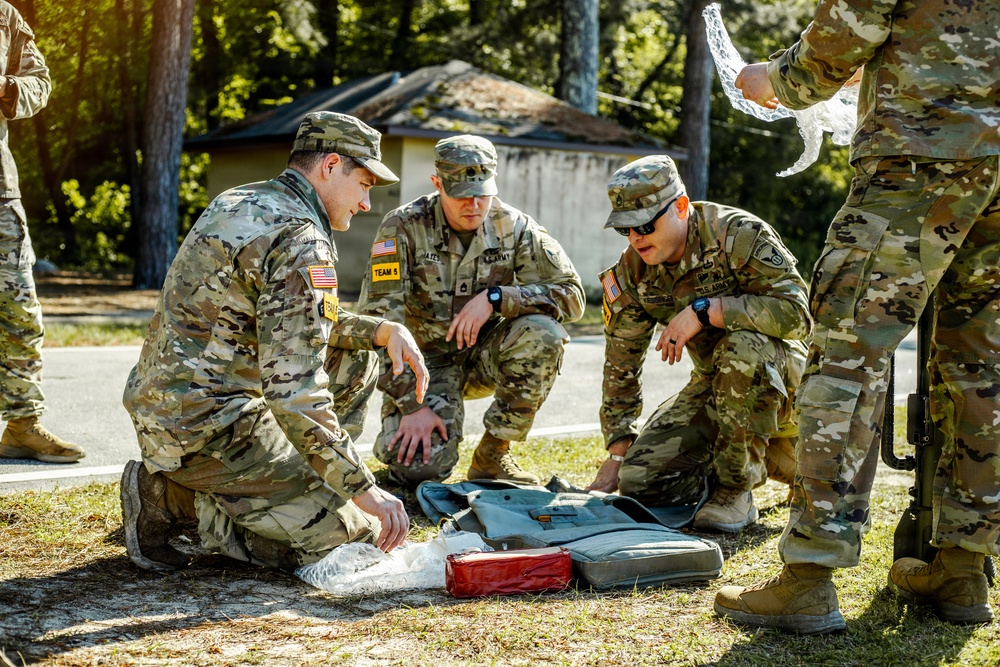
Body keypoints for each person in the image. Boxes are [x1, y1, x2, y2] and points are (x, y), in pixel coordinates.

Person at [715, 0, 1000, 633]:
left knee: (848, 355)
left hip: (921, 154)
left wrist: (775, 78)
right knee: (983, 368)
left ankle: (809, 576)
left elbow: (851, 26)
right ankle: (963, 569)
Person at [121, 111, 429, 573]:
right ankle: (174, 502)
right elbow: (295, 391)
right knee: (353, 538)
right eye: (364, 184)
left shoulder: (240, 200)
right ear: (330, 166)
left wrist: (383, 331)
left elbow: (292, 320)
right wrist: (362, 488)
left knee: (359, 356)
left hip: (171, 405)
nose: (367, 203)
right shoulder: (302, 239)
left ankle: (295, 481)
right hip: (203, 429)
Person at [589, 154, 810, 533]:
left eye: (644, 224)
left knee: (740, 348)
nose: (636, 237)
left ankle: (735, 490)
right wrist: (618, 451)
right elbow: (621, 362)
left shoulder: (736, 236)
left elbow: (798, 315)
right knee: (640, 482)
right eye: (625, 228)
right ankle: (784, 462)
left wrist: (708, 311)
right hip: (715, 384)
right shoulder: (634, 270)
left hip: (783, 379)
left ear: (680, 206)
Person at [358, 134, 585, 488]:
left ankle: (493, 454)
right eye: (462, 194)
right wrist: (411, 407)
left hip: (485, 355)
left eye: (482, 193)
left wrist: (497, 297)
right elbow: (379, 322)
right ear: (437, 184)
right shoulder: (403, 226)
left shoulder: (514, 227)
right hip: (424, 366)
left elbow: (572, 296)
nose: (474, 204)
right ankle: (400, 434)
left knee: (545, 334)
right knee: (419, 471)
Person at [0, 1, 85, 464]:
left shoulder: (5, 17)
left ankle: (22, 425)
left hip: (0, 193)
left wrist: (6, 88)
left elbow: (40, 81)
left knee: (19, 313)